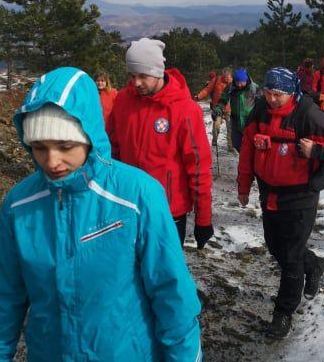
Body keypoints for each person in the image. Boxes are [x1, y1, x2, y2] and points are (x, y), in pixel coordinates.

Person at [0, 67, 202, 361]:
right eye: (39, 147)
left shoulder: (137, 195)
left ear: (88, 135)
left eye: (65, 146)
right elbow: (3, 301)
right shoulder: (19, 205)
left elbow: (171, 292)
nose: (52, 161)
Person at [237, 67, 324, 339]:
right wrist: (243, 186)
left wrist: (315, 150)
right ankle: (314, 266)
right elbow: (248, 148)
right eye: (269, 93)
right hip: (269, 193)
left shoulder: (307, 113)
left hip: (300, 196)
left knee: (291, 257)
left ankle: (283, 313)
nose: (272, 99)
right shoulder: (261, 110)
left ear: (292, 92)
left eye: (279, 95)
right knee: (276, 248)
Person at [107, 38, 214, 249]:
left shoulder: (185, 109)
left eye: (142, 76)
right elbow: (112, 152)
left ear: (157, 72)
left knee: (163, 276)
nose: (136, 83)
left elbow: (199, 166)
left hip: (168, 211)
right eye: (131, 75)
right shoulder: (122, 101)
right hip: (127, 205)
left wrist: (203, 218)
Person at [217, 67, 258, 153]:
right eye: (237, 82)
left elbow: (262, 102)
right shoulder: (231, 87)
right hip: (235, 120)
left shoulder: (254, 88)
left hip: (250, 120)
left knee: (251, 145)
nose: (239, 85)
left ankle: (250, 162)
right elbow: (224, 98)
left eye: (241, 82)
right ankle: (243, 158)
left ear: (246, 80)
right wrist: (219, 108)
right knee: (236, 144)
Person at [196, 67, 233, 150]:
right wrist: (199, 96)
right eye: (224, 76)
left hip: (229, 109)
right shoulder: (216, 80)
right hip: (217, 108)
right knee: (216, 126)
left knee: (230, 128)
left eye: (228, 76)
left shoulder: (234, 82)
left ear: (231, 75)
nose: (226, 78)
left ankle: (230, 146)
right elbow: (207, 90)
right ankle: (214, 142)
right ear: (222, 74)